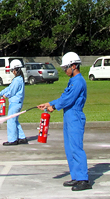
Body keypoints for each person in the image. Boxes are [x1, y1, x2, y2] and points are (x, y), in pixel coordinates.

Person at [37, 52, 92, 191]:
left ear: (74, 66)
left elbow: (69, 99)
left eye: (66, 67)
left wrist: (54, 107)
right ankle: (76, 176)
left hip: (75, 116)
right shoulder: (72, 81)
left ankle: (83, 180)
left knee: (76, 148)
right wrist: (48, 103)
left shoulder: (79, 81)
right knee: (69, 148)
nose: (64, 70)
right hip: (68, 116)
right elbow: (64, 97)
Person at [0, 59, 27, 146]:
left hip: (15, 103)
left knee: (10, 120)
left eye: (12, 70)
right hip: (16, 103)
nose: (12, 72)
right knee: (14, 120)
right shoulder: (17, 79)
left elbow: (11, 91)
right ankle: (22, 138)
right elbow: (8, 88)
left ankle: (12, 140)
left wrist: (5, 95)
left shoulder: (17, 80)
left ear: (16, 70)